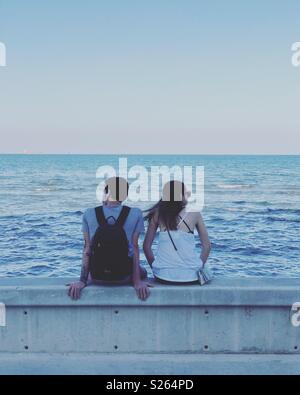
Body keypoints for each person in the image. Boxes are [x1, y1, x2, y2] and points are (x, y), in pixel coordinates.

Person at [68, 177, 152, 300]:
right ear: (125, 195)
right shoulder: (135, 213)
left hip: (96, 277)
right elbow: (134, 248)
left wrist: (82, 281)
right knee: (143, 271)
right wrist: (137, 282)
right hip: (123, 277)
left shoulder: (89, 213)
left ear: (105, 192)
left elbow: (87, 249)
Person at [143, 180, 211, 284]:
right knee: (208, 268)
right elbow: (207, 246)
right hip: (190, 277)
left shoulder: (158, 213)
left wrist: (156, 268)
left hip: (162, 276)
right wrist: (198, 267)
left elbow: (146, 247)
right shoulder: (194, 212)